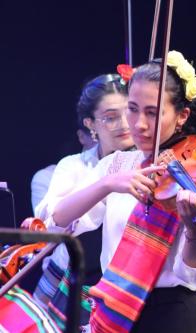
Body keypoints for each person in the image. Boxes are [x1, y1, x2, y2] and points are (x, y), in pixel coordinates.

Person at [50, 51, 196, 333]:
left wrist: (194, 230)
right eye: (132, 108)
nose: (138, 123)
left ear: (181, 116)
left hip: (171, 319)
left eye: (152, 112)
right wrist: (107, 183)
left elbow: (193, 274)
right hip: (115, 311)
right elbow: (58, 219)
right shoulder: (116, 164)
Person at [31, 73, 134, 327]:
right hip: (77, 284)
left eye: (130, 112)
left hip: (131, 287)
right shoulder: (73, 166)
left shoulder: (146, 162)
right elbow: (52, 221)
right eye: (111, 118)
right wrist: (106, 183)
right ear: (90, 124)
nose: (124, 124)